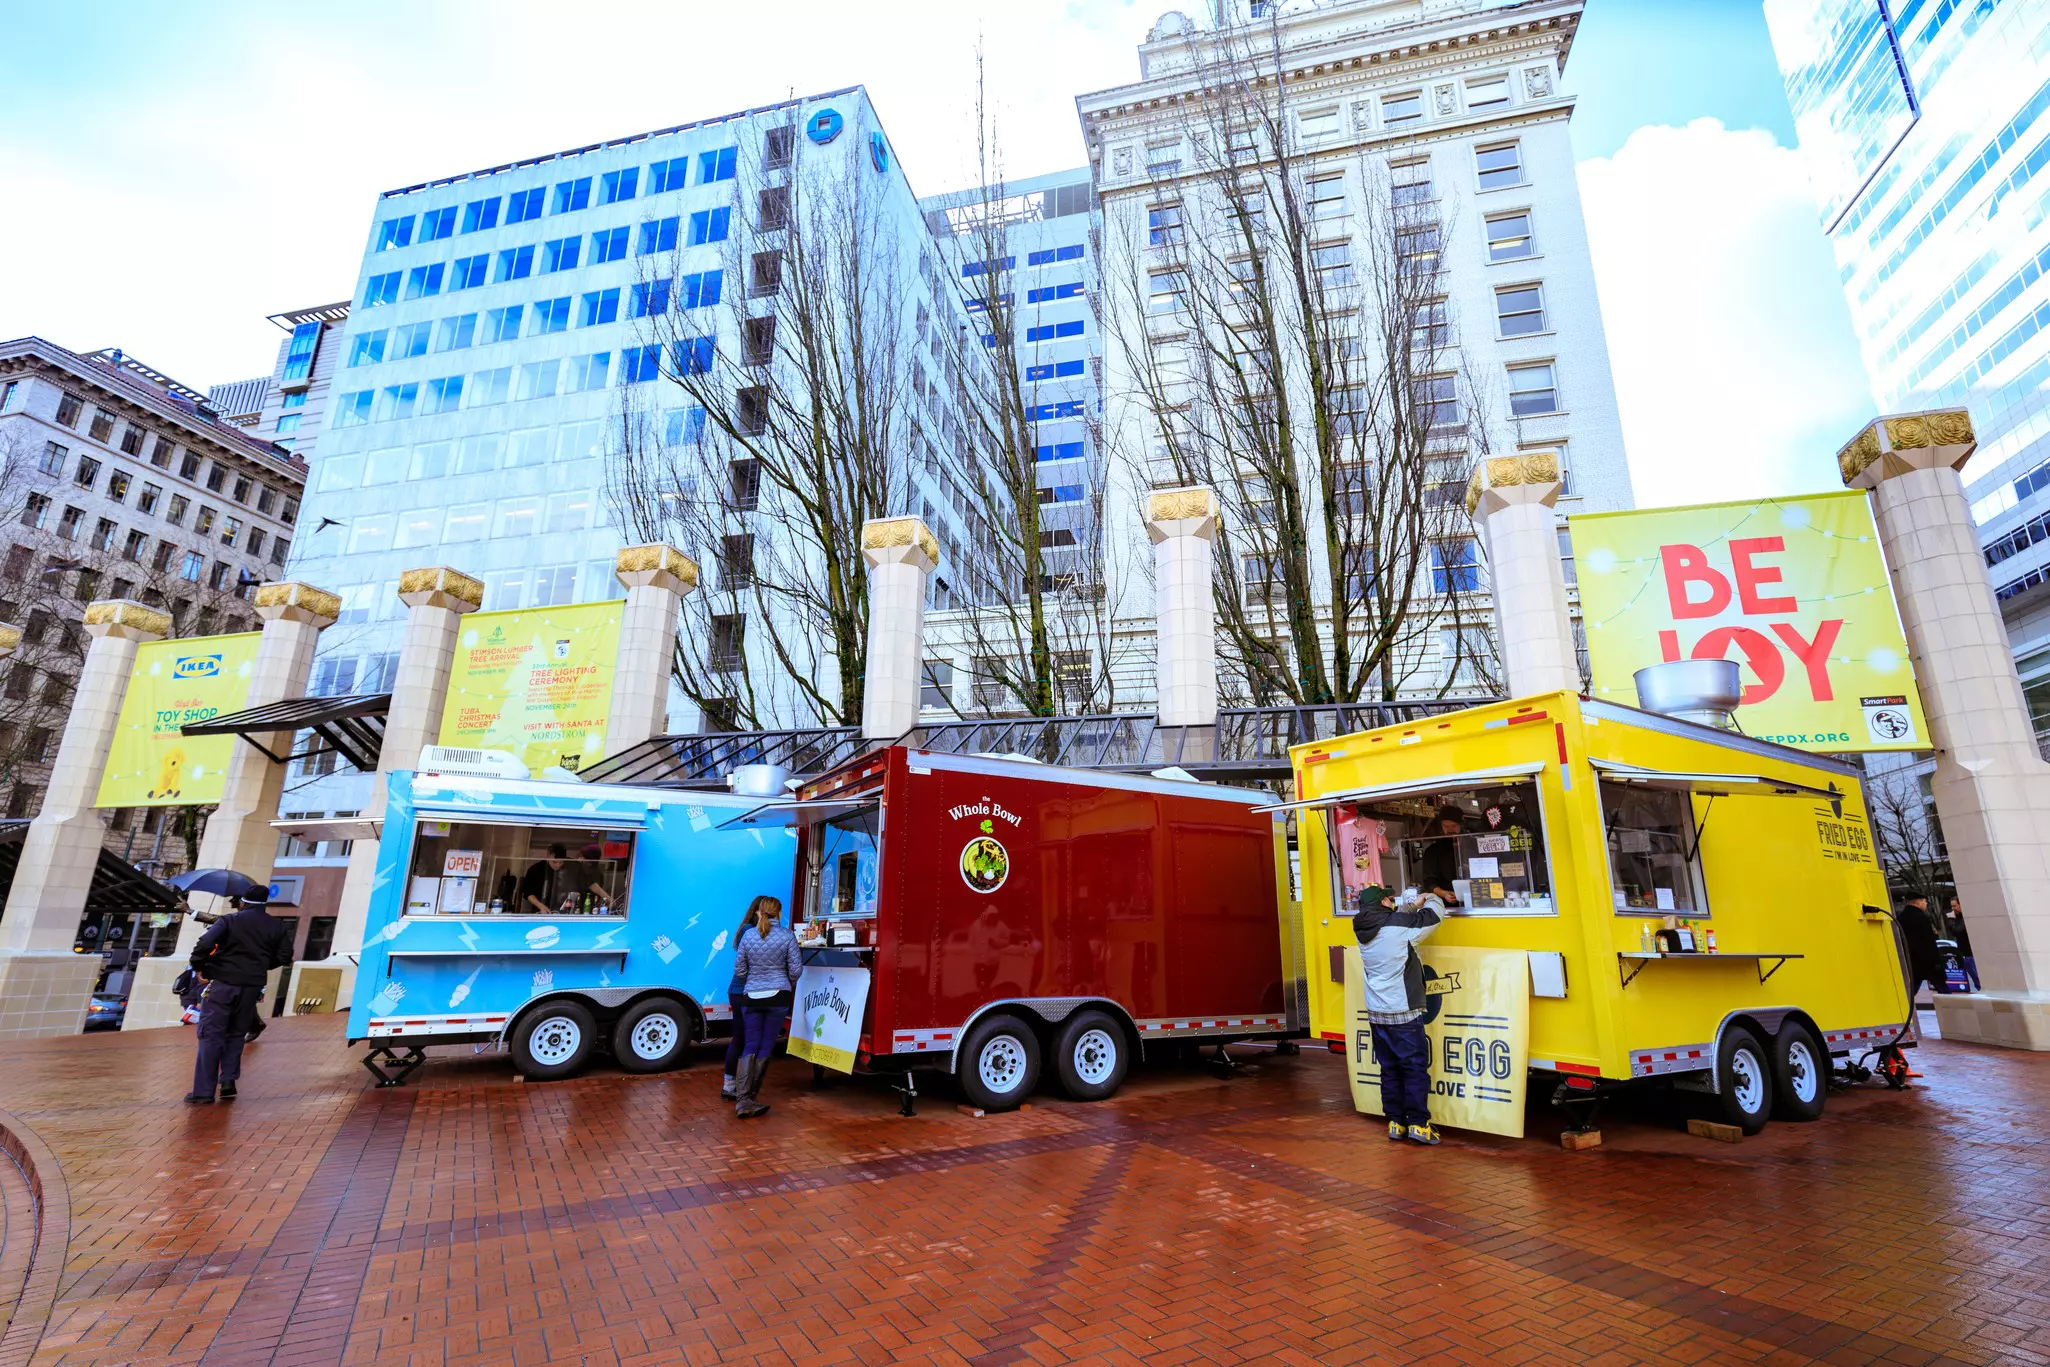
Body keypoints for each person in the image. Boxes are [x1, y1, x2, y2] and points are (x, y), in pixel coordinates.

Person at [1353, 883, 1445, 1145]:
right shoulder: (1397, 928)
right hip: (1403, 1011)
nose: (1393, 902)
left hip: (1377, 1012)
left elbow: (1395, 921)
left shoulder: (1362, 928)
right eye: (1390, 899)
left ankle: (1396, 1122)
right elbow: (1433, 918)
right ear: (1384, 903)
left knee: (1390, 1068)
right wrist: (1432, 898)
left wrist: (1409, 905)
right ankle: (1418, 1125)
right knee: (1414, 1068)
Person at [185, 891, 294, 1103]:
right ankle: (228, 1082)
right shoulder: (277, 926)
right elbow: (284, 955)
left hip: (223, 984)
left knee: (211, 1035)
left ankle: (203, 1092)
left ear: (243, 902)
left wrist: (200, 967)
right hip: (252, 986)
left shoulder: (229, 921)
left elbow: (203, 945)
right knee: (236, 1034)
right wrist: (261, 964)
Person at [730, 894, 802, 1119]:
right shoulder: (787, 936)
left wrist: (754, 979)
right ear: (778, 913)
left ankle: (742, 1100)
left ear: (760, 911)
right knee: (766, 1046)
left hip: (751, 996)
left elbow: (739, 969)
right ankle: (751, 1096)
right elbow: (796, 970)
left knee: (749, 1044)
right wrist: (785, 980)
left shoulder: (748, 935)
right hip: (778, 997)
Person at [519, 843, 611, 915]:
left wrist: (606, 896)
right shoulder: (536, 869)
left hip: (567, 913)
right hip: (540, 912)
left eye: (561, 862)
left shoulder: (574, 867)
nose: (557, 865)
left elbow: (589, 883)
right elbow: (528, 892)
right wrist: (541, 906)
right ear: (548, 855)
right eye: (554, 862)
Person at [1413, 805, 1466, 906]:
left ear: (1460, 825)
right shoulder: (1433, 850)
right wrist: (1445, 894)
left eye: (1454, 826)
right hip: (1444, 904)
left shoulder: (1470, 845)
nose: (1450, 830)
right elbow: (1429, 882)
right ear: (1441, 826)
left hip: (1475, 901)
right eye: (1446, 826)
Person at [1898, 893, 1943, 1002]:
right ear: (1918, 902)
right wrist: (1936, 961)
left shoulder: (1901, 917)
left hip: (1911, 959)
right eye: (1924, 901)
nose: (1926, 903)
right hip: (1926, 960)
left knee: (1912, 988)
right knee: (1941, 985)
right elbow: (1928, 941)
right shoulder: (1922, 918)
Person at [1947, 895, 1980, 990]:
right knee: (1975, 977)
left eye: (1954, 906)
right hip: (1966, 952)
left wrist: (1950, 920)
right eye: (1952, 906)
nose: (1953, 909)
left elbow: (1957, 931)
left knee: (1977, 977)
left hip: (1970, 953)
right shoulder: (1958, 918)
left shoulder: (1964, 918)